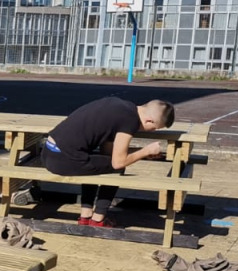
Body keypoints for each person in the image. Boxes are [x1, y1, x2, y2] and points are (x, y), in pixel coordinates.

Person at [44, 96, 175, 227]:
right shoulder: (130, 120)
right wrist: (145, 151)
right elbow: (118, 163)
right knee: (118, 168)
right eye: (155, 128)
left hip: (49, 152)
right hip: (63, 160)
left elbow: (107, 151)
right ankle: (98, 219)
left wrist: (140, 155)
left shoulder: (120, 105)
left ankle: (86, 215)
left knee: (97, 162)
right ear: (149, 121)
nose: (153, 131)